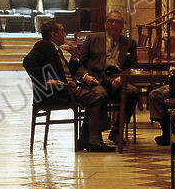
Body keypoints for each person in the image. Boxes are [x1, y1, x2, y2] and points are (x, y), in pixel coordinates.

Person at [22, 19, 115, 152]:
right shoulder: (44, 45)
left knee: (97, 97)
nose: (65, 35)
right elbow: (28, 62)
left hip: (68, 88)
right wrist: (45, 81)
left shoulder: (55, 49)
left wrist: (74, 56)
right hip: (58, 92)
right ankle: (93, 141)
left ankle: (86, 140)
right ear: (53, 34)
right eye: (62, 31)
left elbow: (69, 71)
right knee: (97, 98)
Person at [73, 11, 139, 143]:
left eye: (118, 22)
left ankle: (116, 131)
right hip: (96, 81)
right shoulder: (92, 39)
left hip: (118, 81)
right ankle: (94, 136)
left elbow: (133, 67)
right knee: (100, 95)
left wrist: (122, 78)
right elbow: (77, 65)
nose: (114, 24)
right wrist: (85, 77)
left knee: (133, 92)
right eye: (111, 21)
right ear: (105, 24)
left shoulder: (129, 43)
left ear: (122, 26)